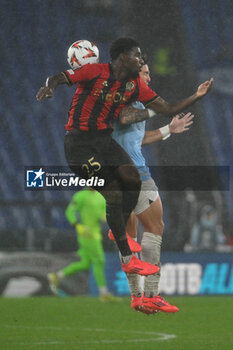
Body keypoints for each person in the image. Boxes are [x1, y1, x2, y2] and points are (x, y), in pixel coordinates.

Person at [36, 37, 213, 278]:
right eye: (137, 55)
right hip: (79, 145)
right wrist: (50, 87)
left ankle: (115, 230)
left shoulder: (135, 86)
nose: (141, 60)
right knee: (114, 192)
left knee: (133, 180)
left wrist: (197, 95)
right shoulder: (95, 71)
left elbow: (168, 109)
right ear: (122, 58)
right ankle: (129, 259)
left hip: (103, 141)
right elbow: (60, 77)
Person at [111, 63, 194, 314]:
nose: (149, 76)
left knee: (129, 234)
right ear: (135, 78)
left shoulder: (127, 102)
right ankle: (151, 295)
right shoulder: (129, 103)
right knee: (155, 226)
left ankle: (137, 297)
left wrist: (170, 129)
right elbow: (126, 121)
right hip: (134, 173)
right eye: (145, 73)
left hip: (115, 173)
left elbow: (137, 139)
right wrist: (156, 110)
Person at [48, 188, 118, 301]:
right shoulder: (80, 196)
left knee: (85, 264)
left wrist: (110, 218)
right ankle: (103, 293)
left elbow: (102, 215)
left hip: (95, 234)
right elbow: (69, 211)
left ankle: (57, 276)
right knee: (99, 261)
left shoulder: (100, 197)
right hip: (87, 235)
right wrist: (77, 225)